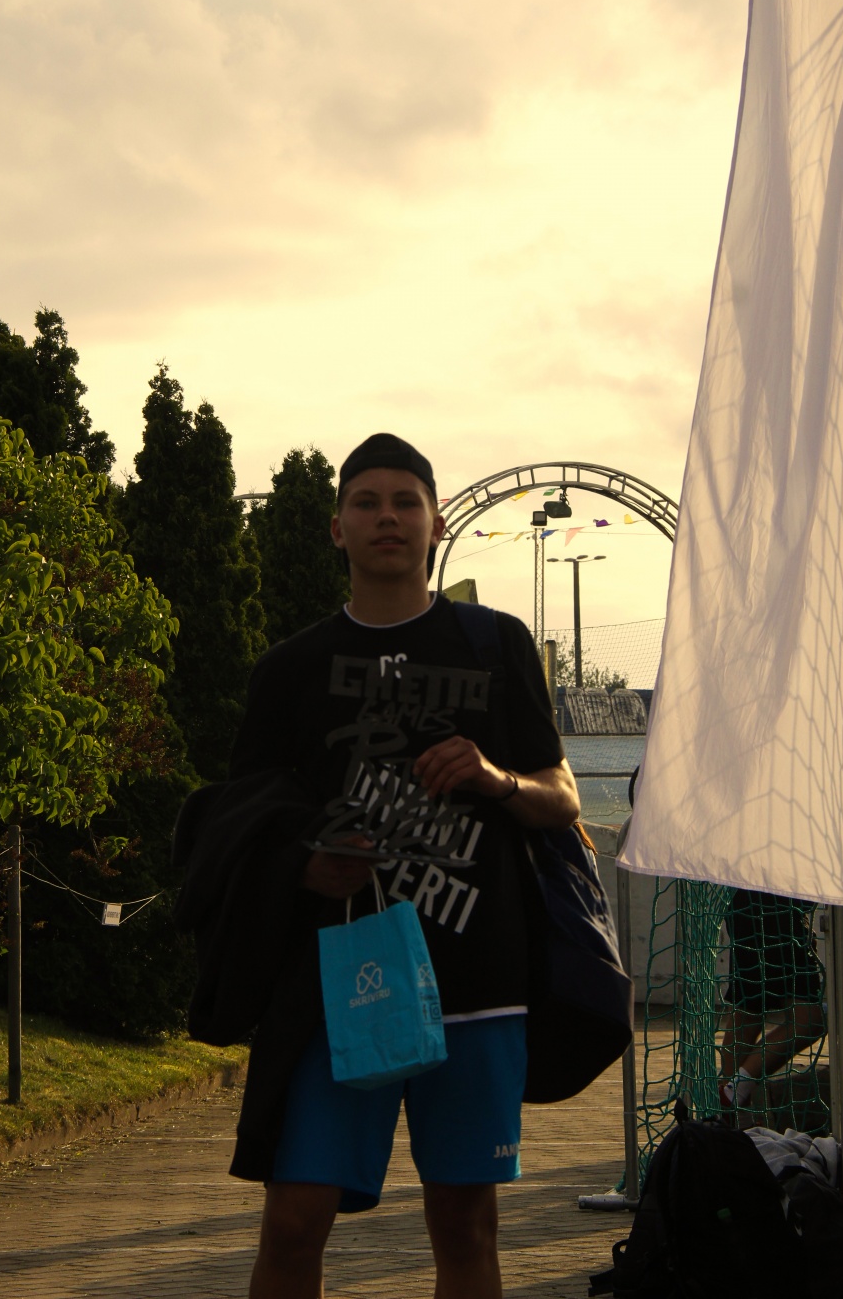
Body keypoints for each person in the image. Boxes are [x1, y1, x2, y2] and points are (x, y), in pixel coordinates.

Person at [228, 433, 581, 1299]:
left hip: (478, 980)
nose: (386, 517)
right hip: (336, 983)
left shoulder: (495, 644)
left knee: (464, 1224)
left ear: (436, 523)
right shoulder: (290, 669)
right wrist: (304, 867)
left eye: (405, 502)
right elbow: (241, 823)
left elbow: (562, 797)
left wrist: (494, 777)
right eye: (366, 502)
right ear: (337, 528)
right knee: (293, 1221)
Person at [718, 888, 826, 1124]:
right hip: (775, 907)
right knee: (809, 1021)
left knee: (749, 1011)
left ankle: (732, 1112)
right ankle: (735, 1093)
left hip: (753, 903)